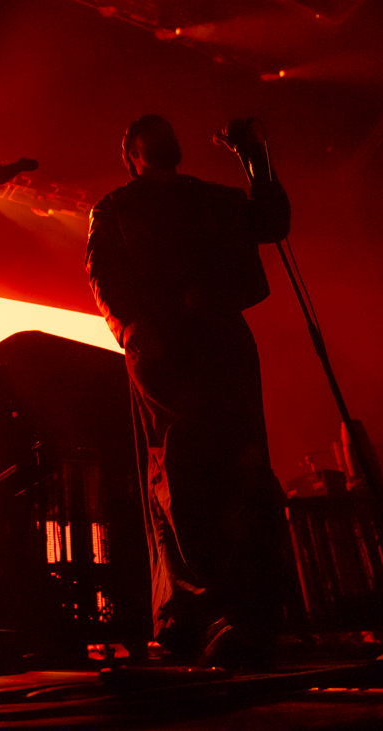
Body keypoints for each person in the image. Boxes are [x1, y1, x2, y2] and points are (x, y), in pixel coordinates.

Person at [85, 114, 291, 666]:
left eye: (164, 127)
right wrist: (133, 330)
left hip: (221, 339)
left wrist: (253, 155)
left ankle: (250, 611)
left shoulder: (211, 197)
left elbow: (272, 221)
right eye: (146, 132)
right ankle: (199, 614)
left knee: (244, 464)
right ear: (132, 156)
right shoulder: (116, 207)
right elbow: (103, 274)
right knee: (183, 469)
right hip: (165, 347)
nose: (161, 133)